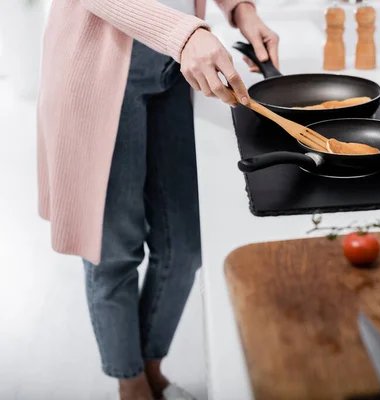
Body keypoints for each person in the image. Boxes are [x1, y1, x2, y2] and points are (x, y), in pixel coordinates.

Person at [36, 0, 279, 399]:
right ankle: (131, 383)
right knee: (113, 252)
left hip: (174, 66)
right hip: (100, 64)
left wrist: (240, 9)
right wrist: (184, 34)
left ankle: (150, 368)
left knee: (185, 245)